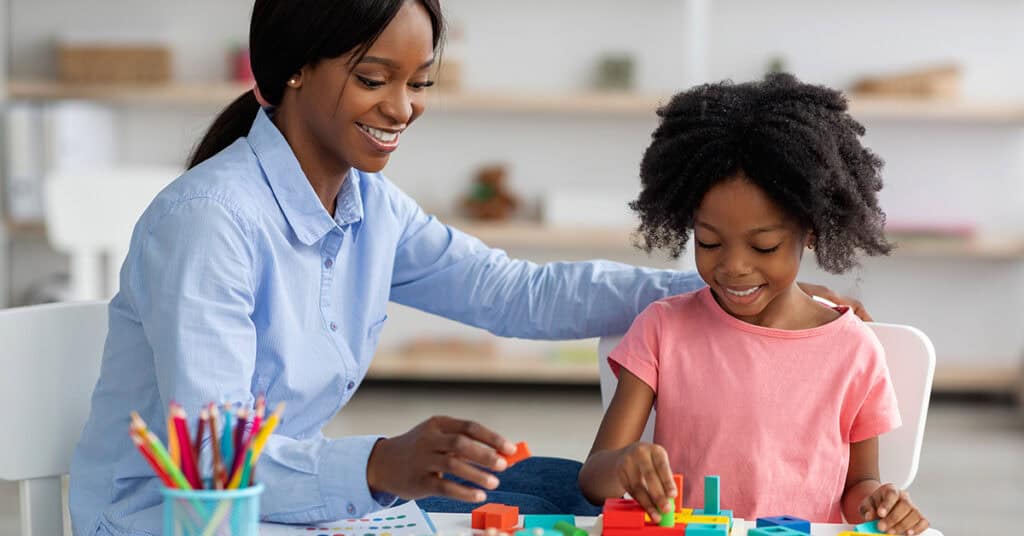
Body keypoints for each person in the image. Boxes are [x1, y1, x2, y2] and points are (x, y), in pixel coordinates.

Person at [68, 1, 868, 533]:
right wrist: (385, 461)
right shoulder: (209, 224)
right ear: (291, 70)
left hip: (288, 502)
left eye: (418, 83)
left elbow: (513, 292)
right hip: (181, 516)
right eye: (374, 79)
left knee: (552, 487)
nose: (401, 108)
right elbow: (217, 461)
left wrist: (723, 287)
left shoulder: (366, 207)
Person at [578, 74, 930, 535]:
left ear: (810, 231)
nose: (734, 267)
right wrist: (624, 465)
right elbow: (592, 479)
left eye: (763, 247)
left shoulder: (855, 350)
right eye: (708, 242)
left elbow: (859, 484)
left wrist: (881, 504)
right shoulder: (663, 328)